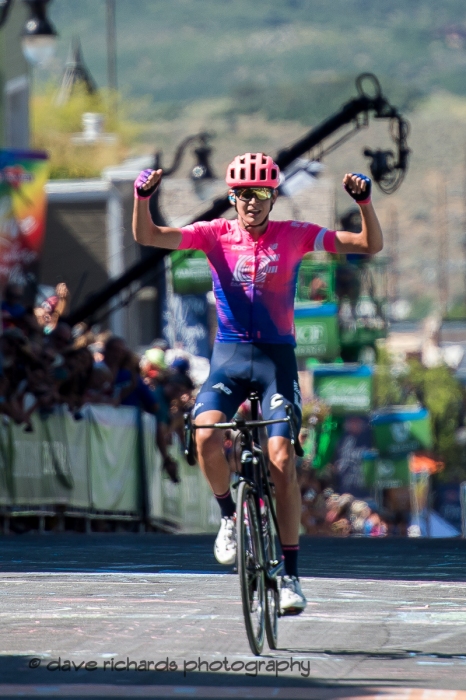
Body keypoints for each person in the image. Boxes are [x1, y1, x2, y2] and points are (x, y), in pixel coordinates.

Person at [132, 152, 383, 614]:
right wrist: (142, 198)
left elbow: (368, 245)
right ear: (232, 197)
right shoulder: (214, 234)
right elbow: (148, 235)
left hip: (276, 361)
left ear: (272, 197)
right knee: (205, 434)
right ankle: (229, 516)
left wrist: (364, 203)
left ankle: (289, 575)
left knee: (282, 458)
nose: (251, 202)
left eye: (261, 193)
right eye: (244, 194)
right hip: (228, 358)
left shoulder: (295, 234)